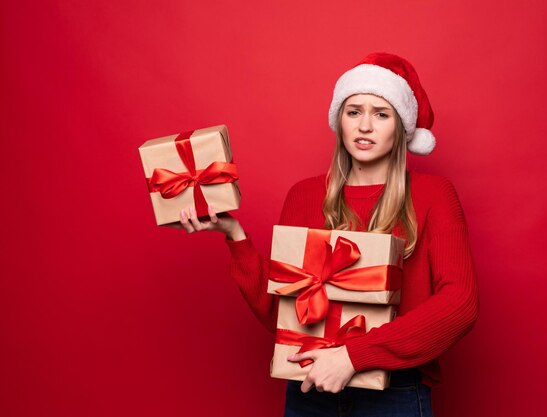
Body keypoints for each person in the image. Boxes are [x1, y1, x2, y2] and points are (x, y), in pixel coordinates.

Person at [179, 52, 479, 417]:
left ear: (401, 126)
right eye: (354, 112)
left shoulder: (433, 195)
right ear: (339, 120)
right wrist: (234, 235)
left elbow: (460, 304)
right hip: (309, 388)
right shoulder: (304, 196)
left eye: (381, 114)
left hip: (395, 392)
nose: (364, 126)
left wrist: (354, 357)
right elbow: (282, 314)